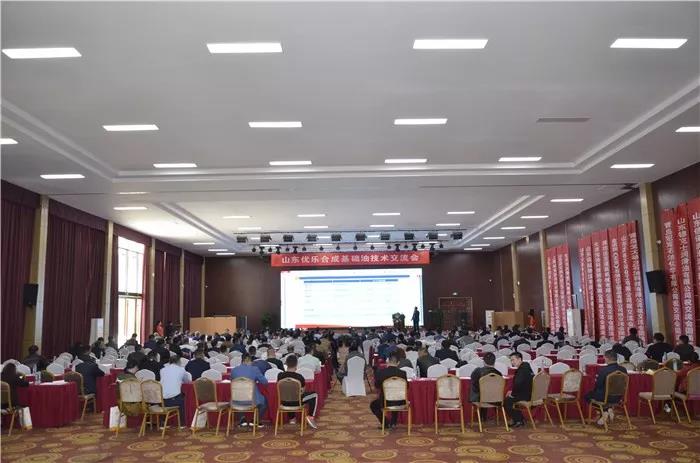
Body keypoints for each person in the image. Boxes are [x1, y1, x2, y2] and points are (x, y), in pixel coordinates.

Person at [584, 350, 627, 425]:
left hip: (605, 398)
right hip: (619, 397)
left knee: (587, 396)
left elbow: (598, 385)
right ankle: (607, 410)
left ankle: (605, 411)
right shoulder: (623, 369)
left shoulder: (604, 370)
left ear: (607, 358)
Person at [277, 355, 318, 429]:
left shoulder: (280, 376)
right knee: (314, 394)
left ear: (286, 364)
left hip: (283, 402)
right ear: (296, 364)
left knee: (288, 394)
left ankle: (292, 418)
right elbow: (302, 391)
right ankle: (310, 416)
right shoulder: (299, 377)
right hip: (297, 402)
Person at [369, 354, 407, 430]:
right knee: (395, 397)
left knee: (373, 405)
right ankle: (393, 423)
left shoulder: (381, 372)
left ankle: (385, 423)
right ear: (398, 363)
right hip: (400, 401)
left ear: (388, 362)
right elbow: (407, 387)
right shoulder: (403, 373)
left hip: (385, 401)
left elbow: (377, 386)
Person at [231, 354, 268, 428]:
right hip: (251, 400)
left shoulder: (234, 370)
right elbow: (265, 382)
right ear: (248, 360)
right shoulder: (255, 369)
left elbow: (232, 381)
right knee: (264, 402)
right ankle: (255, 420)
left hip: (236, 400)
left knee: (240, 398)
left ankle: (242, 419)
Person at [504, 352, 534, 427]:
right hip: (530, 393)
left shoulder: (522, 370)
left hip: (525, 395)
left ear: (520, 359)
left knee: (507, 401)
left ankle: (518, 420)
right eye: (511, 360)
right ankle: (520, 419)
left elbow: (518, 384)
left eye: (513, 360)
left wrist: (512, 394)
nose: (512, 362)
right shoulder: (527, 366)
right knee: (511, 399)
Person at [469, 352, 501, 420]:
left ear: (483, 362)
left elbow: (474, 384)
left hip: (480, 399)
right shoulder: (498, 374)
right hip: (495, 399)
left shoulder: (477, 371)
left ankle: (481, 417)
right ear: (494, 362)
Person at [159, 354, 190, 425]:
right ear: (179, 361)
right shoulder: (181, 369)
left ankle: (163, 422)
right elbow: (187, 381)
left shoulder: (162, 370)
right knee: (184, 397)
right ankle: (182, 424)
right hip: (174, 400)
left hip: (162, 400)